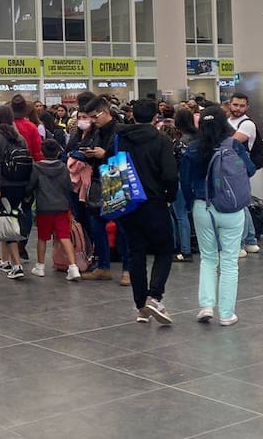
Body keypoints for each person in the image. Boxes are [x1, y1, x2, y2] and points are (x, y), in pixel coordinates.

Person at [183, 106, 257, 326]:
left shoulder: (193, 148)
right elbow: (251, 169)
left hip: (203, 206)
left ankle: (206, 305)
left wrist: (190, 204)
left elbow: (184, 181)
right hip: (232, 208)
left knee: (208, 258)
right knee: (229, 261)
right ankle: (226, 314)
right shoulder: (234, 145)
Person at [110, 99, 180, 324]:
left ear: (132, 116)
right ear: (155, 117)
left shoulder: (120, 139)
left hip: (128, 202)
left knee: (135, 252)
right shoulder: (161, 140)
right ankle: (155, 296)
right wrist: (169, 196)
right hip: (155, 202)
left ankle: (141, 306)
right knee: (164, 249)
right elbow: (170, 175)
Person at [79, 95, 130, 284]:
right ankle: (103, 267)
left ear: (106, 112)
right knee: (96, 225)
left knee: (122, 227)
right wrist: (88, 153)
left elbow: (125, 155)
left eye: (95, 116)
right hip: (98, 179)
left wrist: (105, 154)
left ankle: (127, 269)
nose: (92, 120)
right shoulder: (96, 132)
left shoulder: (120, 131)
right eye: (89, 117)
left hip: (116, 179)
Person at [26, 138, 79, 280]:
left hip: (44, 207)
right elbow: (69, 187)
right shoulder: (63, 167)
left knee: (42, 238)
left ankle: (40, 266)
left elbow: (31, 185)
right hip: (61, 207)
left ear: (42, 152)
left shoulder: (36, 167)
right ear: (57, 152)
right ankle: (73, 267)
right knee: (64, 237)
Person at [0, 105, 30, 279]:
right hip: (20, 185)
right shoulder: (19, 137)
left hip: (4, 185)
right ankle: (5, 260)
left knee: (7, 223)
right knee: (10, 218)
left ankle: (16, 265)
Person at [226, 93, 262, 256]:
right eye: (235, 105)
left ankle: (241, 243)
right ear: (229, 105)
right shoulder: (228, 122)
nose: (238, 108)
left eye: (241, 106)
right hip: (229, 168)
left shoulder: (247, 124)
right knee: (242, 204)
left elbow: (231, 142)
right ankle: (250, 240)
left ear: (247, 107)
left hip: (239, 169)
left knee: (239, 205)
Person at [171, 109, 198, 262]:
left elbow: (177, 163)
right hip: (197, 181)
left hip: (182, 179)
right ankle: (194, 244)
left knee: (180, 215)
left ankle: (185, 250)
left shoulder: (180, 142)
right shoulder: (200, 138)